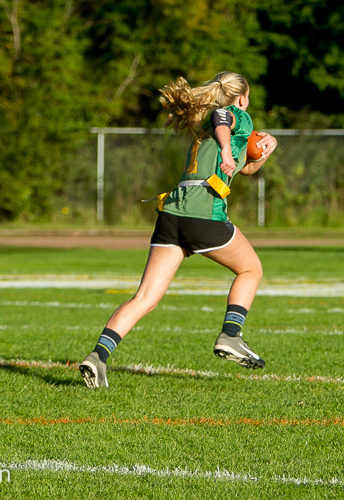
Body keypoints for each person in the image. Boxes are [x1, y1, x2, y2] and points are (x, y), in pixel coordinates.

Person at [79, 71, 277, 388]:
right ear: (242, 97)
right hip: (203, 213)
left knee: (145, 297)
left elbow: (248, 168)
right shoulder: (233, 115)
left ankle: (98, 356)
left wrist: (267, 149)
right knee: (251, 269)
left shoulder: (203, 128)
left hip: (172, 214)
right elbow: (223, 117)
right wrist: (228, 151)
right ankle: (231, 335)